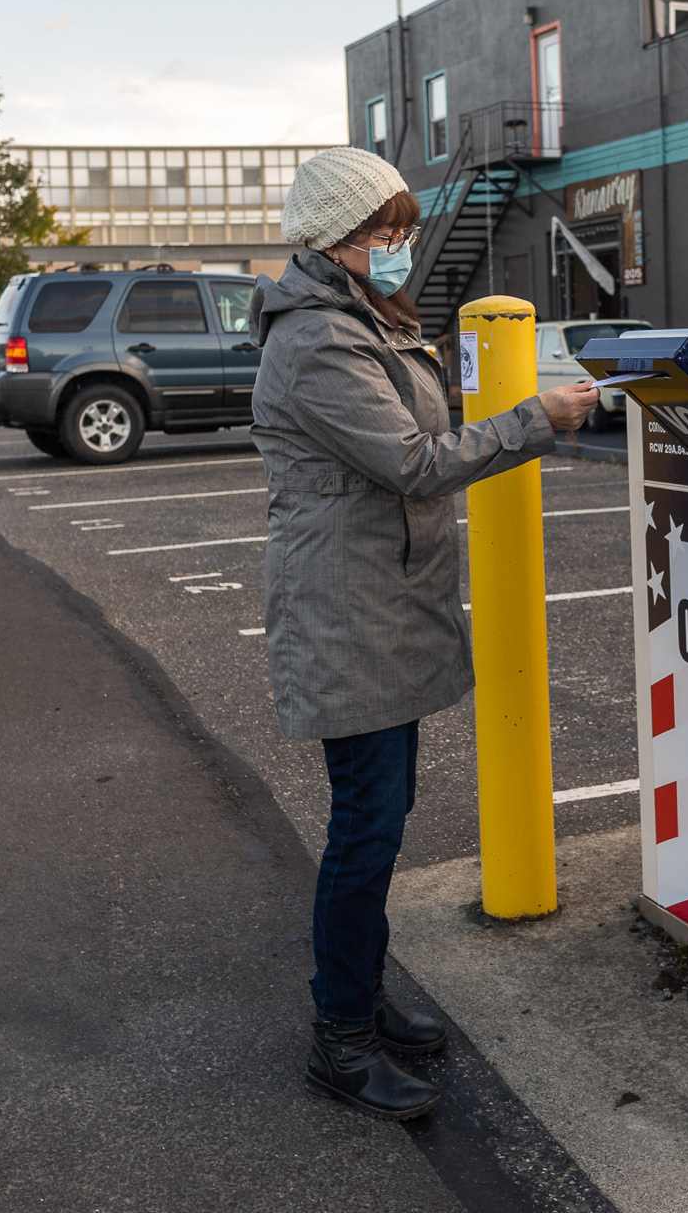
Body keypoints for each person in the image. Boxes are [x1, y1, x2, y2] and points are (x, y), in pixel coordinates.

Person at [250, 146, 597, 1121]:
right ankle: (341, 1038)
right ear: (334, 237)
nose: (399, 244)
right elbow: (411, 460)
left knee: (380, 815)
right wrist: (536, 416)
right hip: (347, 608)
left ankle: (359, 995)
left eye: (402, 227)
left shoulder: (361, 314)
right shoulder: (321, 337)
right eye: (382, 230)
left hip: (379, 598)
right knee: (366, 826)